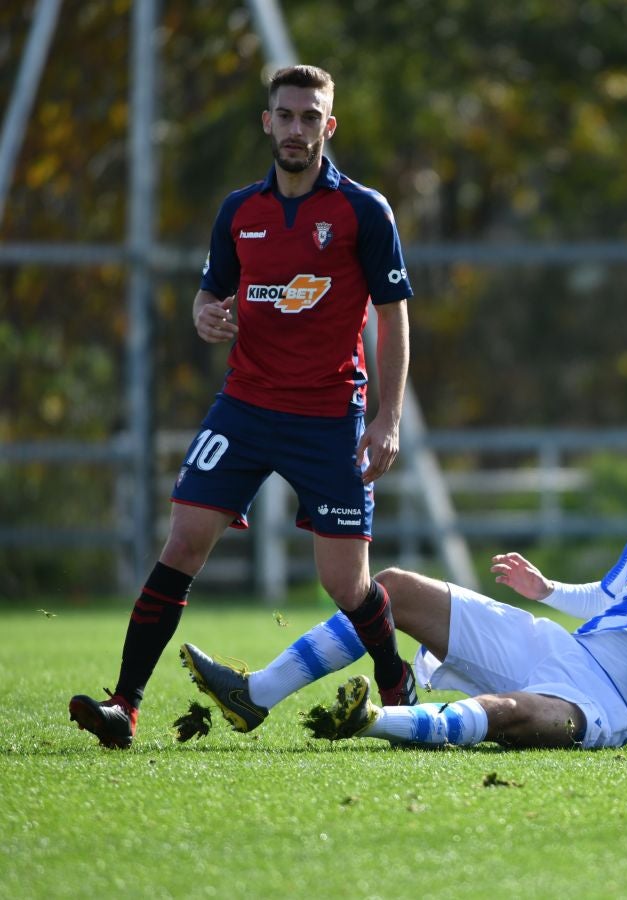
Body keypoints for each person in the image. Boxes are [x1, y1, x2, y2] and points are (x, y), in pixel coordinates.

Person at [69, 65, 417, 748]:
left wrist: (387, 416)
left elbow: (394, 315)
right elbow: (211, 293)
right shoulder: (240, 211)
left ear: (329, 126)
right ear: (267, 122)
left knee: (345, 584)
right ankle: (125, 707)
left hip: (328, 416)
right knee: (182, 542)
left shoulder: (363, 211)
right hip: (245, 407)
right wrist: (205, 315)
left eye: (309, 117)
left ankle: (396, 678)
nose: (295, 129)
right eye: (284, 115)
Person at [180, 479, 627, 750]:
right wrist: (544, 590)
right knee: (395, 587)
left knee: (510, 715)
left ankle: (374, 720)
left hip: (605, 708)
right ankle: (255, 693)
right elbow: (603, 600)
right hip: (554, 647)